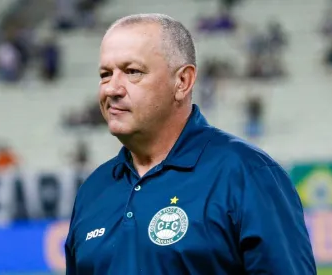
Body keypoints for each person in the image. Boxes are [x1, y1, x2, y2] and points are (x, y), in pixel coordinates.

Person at [64, 14, 316, 274]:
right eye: (105, 75)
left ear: (182, 82)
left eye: (132, 72)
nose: (112, 89)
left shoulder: (247, 174)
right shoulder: (92, 191)